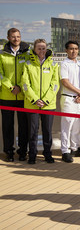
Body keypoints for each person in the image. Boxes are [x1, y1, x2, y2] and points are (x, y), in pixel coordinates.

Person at [21, 39, 59, 164]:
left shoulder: (53, 65)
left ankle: (47, 153)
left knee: (47, 131)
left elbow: (55, 85)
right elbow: (25, 84)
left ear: (46, 49)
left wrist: (45, 100)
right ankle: (32, 154)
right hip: (32, 104)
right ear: (34, 49)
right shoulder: (28, 64)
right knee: (33, 131)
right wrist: (35, 99)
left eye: (43, 48)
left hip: (48, 105)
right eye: (39, 48)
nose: (41, 51)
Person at [0, 28, 30, 162]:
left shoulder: (27, 54)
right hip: (6, 96)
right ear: (8, 38)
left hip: (23, 96)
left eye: (18, 36)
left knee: (24, 126)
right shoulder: (1, 54)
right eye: (13, 37)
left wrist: (19, 86)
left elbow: (29, 74)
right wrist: (11, 87)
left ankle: (23, 151)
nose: (16, 39)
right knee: (7, 126)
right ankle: (9, 152)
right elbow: (0, 74)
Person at [59, 41, 80, 163]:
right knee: (67, 126)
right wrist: (79, 92)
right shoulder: (64, 64)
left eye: (76, 48)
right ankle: (65, 151)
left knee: (77, 125)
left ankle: (75, 148)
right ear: (66, 50)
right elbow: (65, 82)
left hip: (78, 100)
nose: (74, 51)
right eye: (71, 49)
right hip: (68, 98)